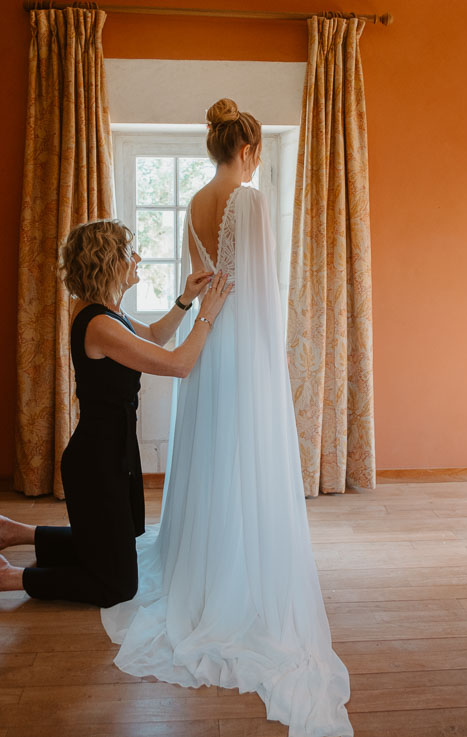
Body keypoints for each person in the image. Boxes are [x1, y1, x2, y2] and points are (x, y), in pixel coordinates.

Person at [99, 98, 353, 737]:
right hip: (242, 349)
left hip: (204, 344)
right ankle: (239, 570)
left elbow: (204, 279)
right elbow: (264, 292)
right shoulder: (252, 200)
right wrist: (273, 364)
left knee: (214, 449)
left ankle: (204, 561)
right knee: (244, 449)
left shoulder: (193, 203)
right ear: (250, 150)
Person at [0, 221, 231, 605]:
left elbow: (156, 336)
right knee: (119, 587)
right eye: (128, 254)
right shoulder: (100, 324)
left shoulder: (105, 312)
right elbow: (178, 364)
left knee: (112, 545)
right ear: (107, 264)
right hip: (96, 463)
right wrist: (208, 313)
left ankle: (13, 532)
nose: (137, 258)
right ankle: (13, 578)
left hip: (109, 453)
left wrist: (186, 299)